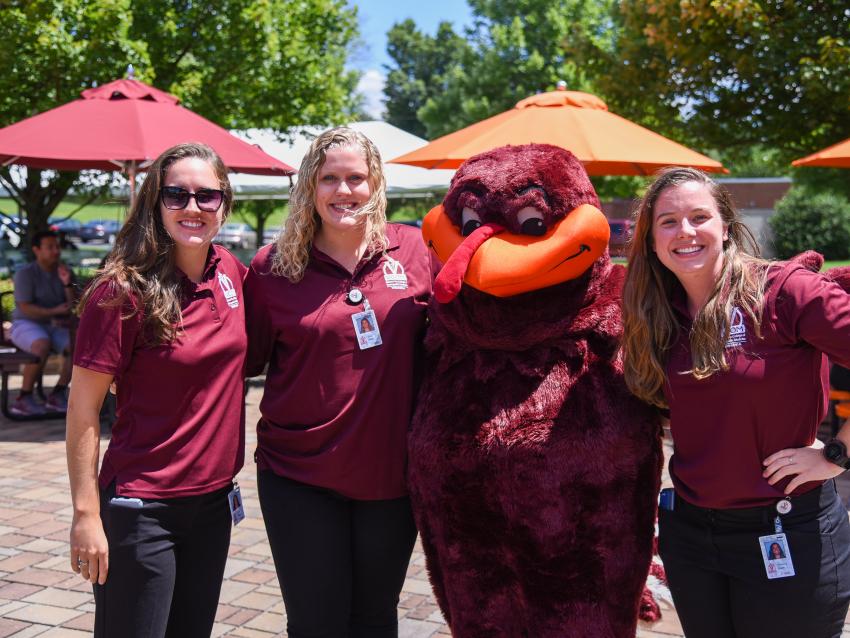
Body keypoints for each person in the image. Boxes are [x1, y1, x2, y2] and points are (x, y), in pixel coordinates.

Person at [621, 166, 850, 638]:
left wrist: (837, 454)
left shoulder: (784, 292)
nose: (685, 232)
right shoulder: (656, 313)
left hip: (786, 531)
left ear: (726, 226)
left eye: (699, 216)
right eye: (667, 221)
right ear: (650, 239)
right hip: (691, 536)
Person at [245, 127, 433, 638]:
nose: (343, 191)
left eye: (356, 178)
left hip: (390, 478)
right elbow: (237, 360)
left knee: (375, 619)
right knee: (316, 623)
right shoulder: (273, 267)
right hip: (297, 476)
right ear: (310, 185)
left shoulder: (415, 251)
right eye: (330, 178)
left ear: (376, 185)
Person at [66, 142, 247, 638]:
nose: (193, 207)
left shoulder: (230, 272)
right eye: (177, 195)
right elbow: (82, 409)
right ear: (155, 203)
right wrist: (85, 515)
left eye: (207, 196)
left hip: (212, 507)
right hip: (141, 510)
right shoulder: (121, 291)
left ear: (224, 205)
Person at [10, 230, 76, 415]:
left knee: (77, 346)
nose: (56, 251)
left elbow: (73, 305)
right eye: (50, 247)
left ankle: (58, 393)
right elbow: (25, 308)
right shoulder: (25, 274)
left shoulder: (65, 272)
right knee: (42, 344)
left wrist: (67, 284)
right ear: (36, 250)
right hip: (26, 323)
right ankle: (24, 397)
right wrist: (53, 312)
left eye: (57, 247)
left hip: (56, 325)